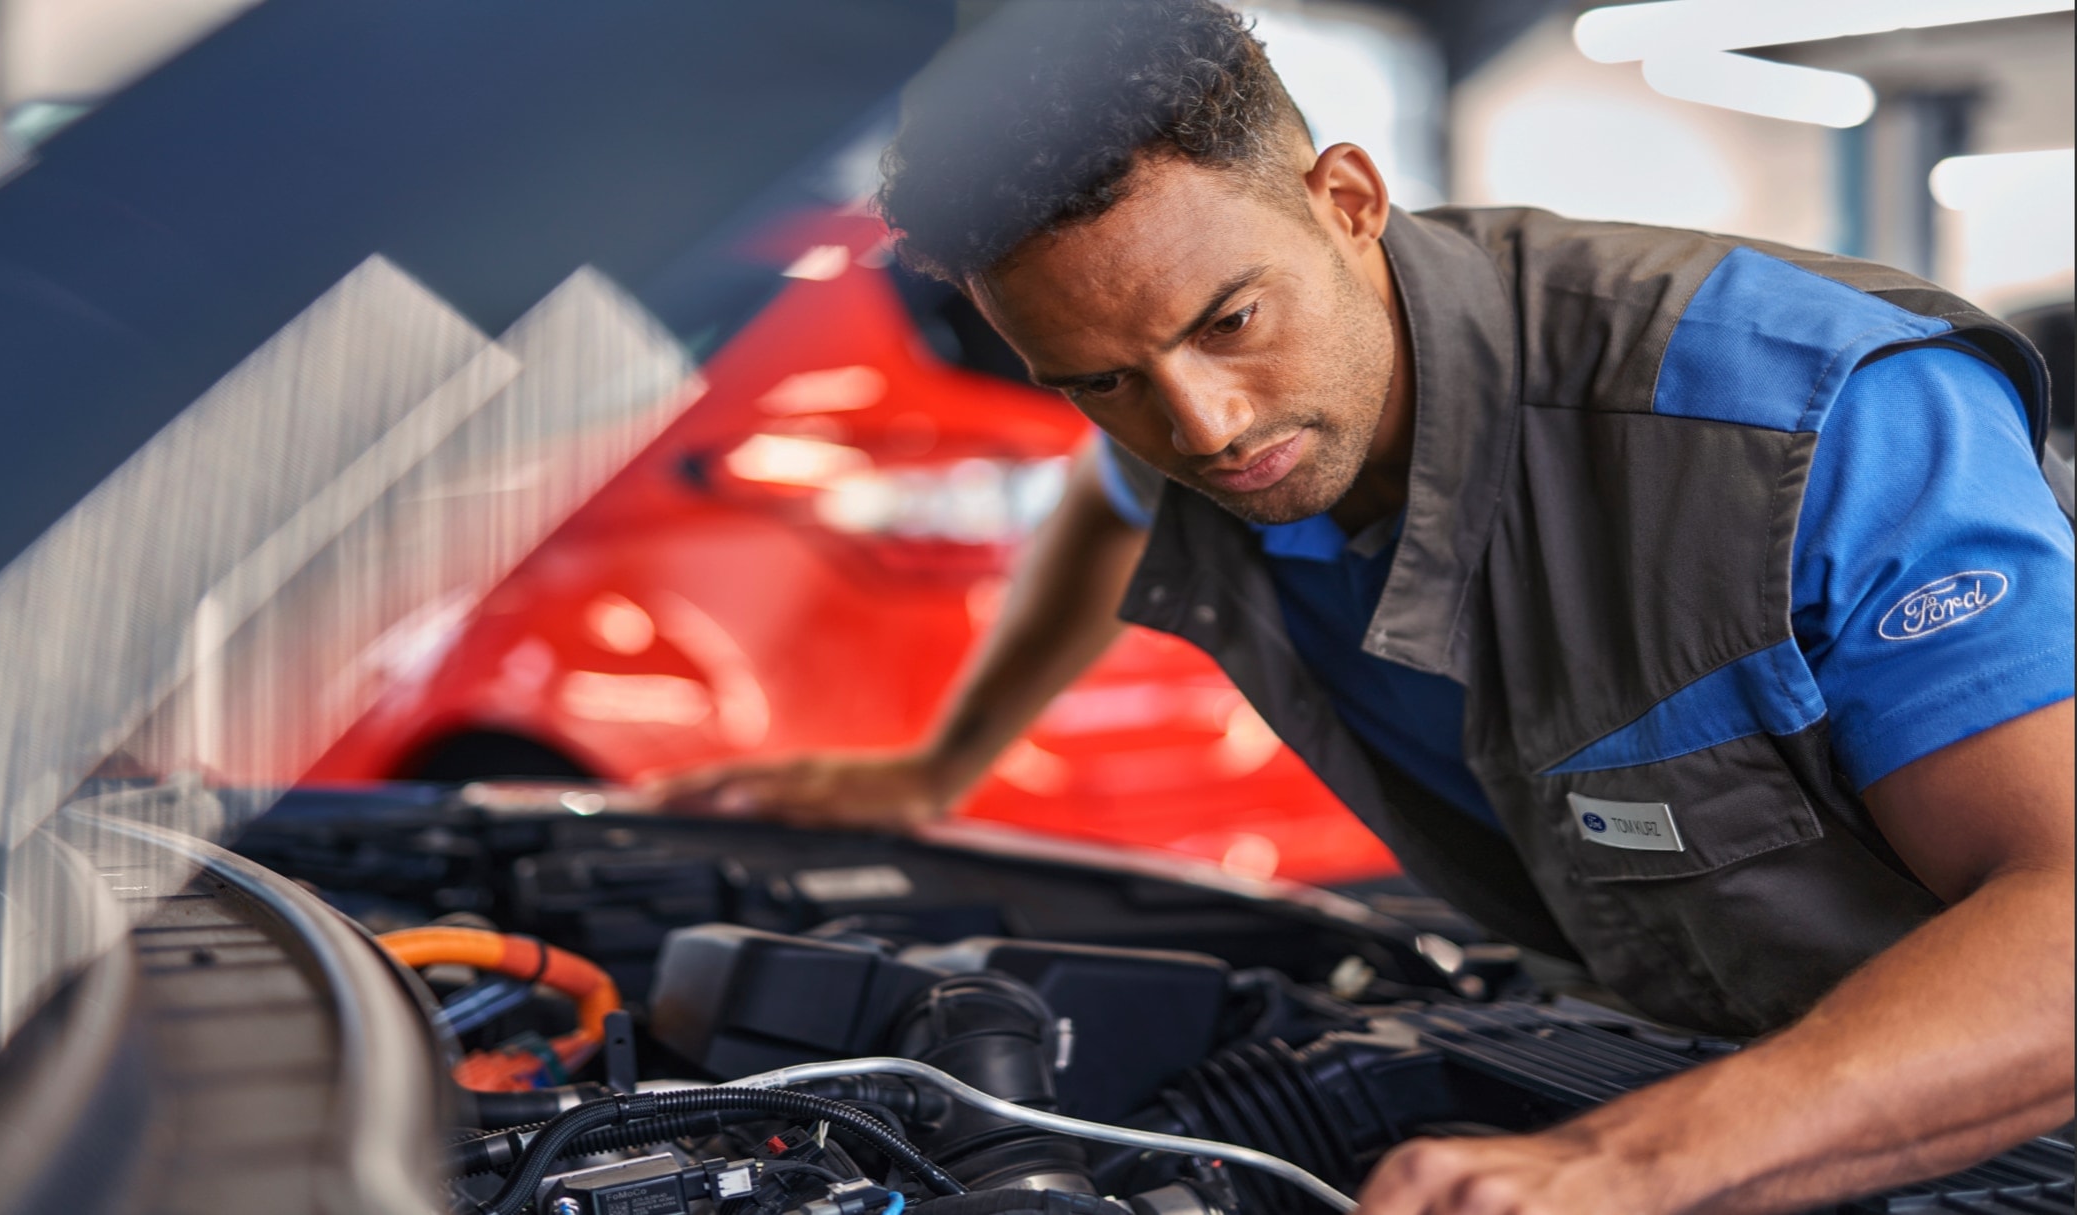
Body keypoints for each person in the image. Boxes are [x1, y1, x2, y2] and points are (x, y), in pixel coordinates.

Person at [639, 3, 2077, 1211]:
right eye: (1099, 380)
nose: (1200, 428)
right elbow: (1105, 499)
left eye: (1229, 323)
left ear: (1347, 201)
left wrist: (1628, 1164)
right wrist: (941, 767)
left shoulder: (1804, 420)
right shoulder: (1203, 412)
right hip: (1712, 1038)